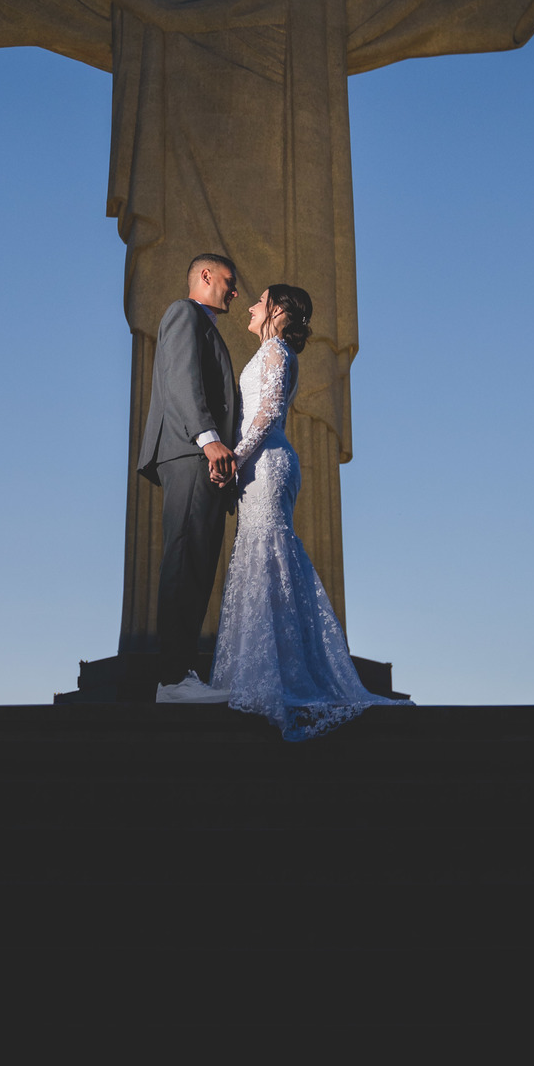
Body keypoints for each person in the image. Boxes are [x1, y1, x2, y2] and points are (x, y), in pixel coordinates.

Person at [207, 284, 413, 740]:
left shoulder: (276, 352)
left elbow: (267, 413)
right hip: (260, 464)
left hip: (266, 464)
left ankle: (279, 676)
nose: (251, 306)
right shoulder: (270, 352)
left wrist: (234, 458)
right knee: (264, 556)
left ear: (278, 311)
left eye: (260, 301)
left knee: (269, 555)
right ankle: (265, 669)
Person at [138, 255, 239, 702]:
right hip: (190, 452)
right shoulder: (184, 313)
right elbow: (181, 378)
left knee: (197, 563)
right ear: (205, 276)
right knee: (184, 559)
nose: (234, 291)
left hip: (204, 459)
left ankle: (180, 675)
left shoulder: (206, 327)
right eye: (229, 282)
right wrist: (209, 439)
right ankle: (173, 679)